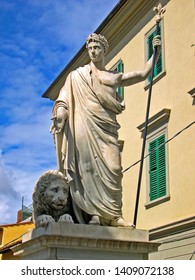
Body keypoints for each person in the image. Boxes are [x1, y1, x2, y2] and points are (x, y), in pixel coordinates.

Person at [50, 33, 161, 227]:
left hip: (107, 130)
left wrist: (156, 52)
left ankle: (115, 215)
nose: (93, 51)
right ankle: (96, 215)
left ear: (104, 50)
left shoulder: (112, 76)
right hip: (84, 126)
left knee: (114, 169)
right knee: (88, 171)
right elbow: (63, 99)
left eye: (97, 48)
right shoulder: (77, 76)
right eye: (90, 48)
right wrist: (60, 114)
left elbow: (143, 74)